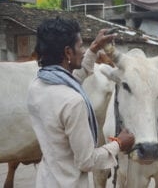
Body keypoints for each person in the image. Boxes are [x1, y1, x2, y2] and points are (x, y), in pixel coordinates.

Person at [27, 17, 135, 187]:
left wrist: (94, 48)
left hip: (47, 180)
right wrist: (119, 144)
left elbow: (74, 77)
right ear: (68, 52)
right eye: (80, 46)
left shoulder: (37, 85)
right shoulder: (73, 102)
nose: (84, 51)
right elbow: (87, 161)